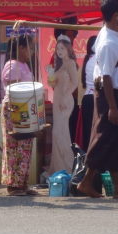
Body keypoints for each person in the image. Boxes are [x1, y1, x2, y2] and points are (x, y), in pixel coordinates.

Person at [73, 0, 118, 199]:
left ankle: (115, 186)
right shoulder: (108, 42)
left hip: (111, 94)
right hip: (109, 94)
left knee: (114, 140)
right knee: (104, 139)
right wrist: (112, 106)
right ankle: (88, 182)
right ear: (115, 16)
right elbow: (107, 76)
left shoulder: (112, 36)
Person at [0, 35, 39, 196]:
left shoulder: (24, 65)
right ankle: (13, 185)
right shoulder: (12, 65)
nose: (32, 51)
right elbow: (12, 87)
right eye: (30, 47)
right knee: (14, 146)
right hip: (14, 108)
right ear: (21, 48)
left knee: (25, 146)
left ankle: (22, 183)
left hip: (26, 109)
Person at [47, 33, 80, 177]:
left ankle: (67, 167)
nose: (59, 51)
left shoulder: (71, 64)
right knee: (58, 134)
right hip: (57, 98)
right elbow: (53, 84)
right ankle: (58, 168)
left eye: (61, 48)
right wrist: (50, 75)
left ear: (68, 49)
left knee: (60, 134)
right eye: (57, 49)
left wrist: (65, 98)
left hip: (65, 100)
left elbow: (74, 83)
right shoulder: (58, 64)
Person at [78, 34, 98, 147]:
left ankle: (87, 162)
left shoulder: (88, 60)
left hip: (87, 99)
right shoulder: (97, 60)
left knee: (88, 134)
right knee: (96, 134)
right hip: (95, 98)